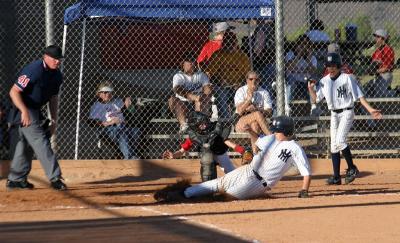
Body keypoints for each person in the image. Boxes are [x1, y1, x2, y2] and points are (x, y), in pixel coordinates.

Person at [154, 116, 312, 202]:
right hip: (248, 170)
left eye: (275, 130)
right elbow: (258, 140)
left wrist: (304, 190)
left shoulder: (294, 147)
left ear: (282, 130)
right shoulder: (272, 139)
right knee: (218, 183)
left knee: (226, 196)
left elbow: (306, 171)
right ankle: (185, 192)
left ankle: (183, 199)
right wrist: (250, 130)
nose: (273, 132)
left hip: (258, 183)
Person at [308, 53, 382, 185]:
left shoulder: (347, 78)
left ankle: (352, 168)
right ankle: (336, 177)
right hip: (334, 114)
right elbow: (316, 99)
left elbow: (359, 96)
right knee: (333, 146)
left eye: (334, 65)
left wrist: (370, 110)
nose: (331, 68)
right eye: (328, 65)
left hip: (347, 112)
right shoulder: (324, 81)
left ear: (338, 65)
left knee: (341, 141)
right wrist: (311, 89)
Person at [6, 45, 67, 191]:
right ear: (45, 56)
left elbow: (53, 98)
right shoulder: (34, 69)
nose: (57, 61)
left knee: (25, 145)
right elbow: (14, 92)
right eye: (54, 58)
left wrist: (54, 120)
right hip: (22, 107)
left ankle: (16, 179)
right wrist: (24, 111)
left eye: (59, 59)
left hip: (35, 109)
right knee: (41, 141)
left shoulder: (57, 75)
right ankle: (55, 178)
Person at [162, 111, 249, 182]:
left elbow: (227, 142)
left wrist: (242, 151)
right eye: (200, 124)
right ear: (195, 127)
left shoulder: (215, 128)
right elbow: (182, 151)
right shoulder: (194, 135)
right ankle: (209, 184)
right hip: (206, 155)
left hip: (220, 153)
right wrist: (173, 155)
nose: (204, 125)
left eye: (204, 122)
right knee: (207, 159)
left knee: (235, 176)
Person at [89, 82, 140, 160]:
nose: (108, 94)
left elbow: (127, 113)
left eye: (109, 92)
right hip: (108, 129)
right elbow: (92, 122)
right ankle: (130, 157)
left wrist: (129, 101)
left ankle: (122, 153)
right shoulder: (96, 106)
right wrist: (110, 122)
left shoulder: (118, 101)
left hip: (123, 126)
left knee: (136, 131)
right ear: (99, 94)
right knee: (120, 133)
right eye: (105, 92)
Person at [206, 31, 251, 118]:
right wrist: (220, 81)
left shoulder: (243, 56)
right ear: (223, 42)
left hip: (238, 85)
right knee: (221, 95)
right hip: (222, 86)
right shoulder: (217, 55)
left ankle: (239, 118)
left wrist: (241, 84)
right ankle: (226, 121)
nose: (229, 44)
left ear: (236, 42)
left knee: (245, 92)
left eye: (232, 41)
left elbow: (248, 75)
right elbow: (210, 75)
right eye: (227, 41)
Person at [168, 58, 212, 133]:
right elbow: (177, 89)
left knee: (204, 98)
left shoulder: (201, 75)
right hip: (182, 103)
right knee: (172, 99)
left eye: (193, 61)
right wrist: (192, 97)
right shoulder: (178, 76)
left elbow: (207, 89)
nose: (191, 63)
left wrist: (203, 96)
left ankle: (200, 123)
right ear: (183, 64)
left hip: (198, 102)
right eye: (188, 62)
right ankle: (184, 125)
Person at [234, 71, 272, 154]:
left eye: (256, 79)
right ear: (247, 80)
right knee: (257, 114)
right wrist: (248, 99)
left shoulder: (264, 92)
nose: (253, 81)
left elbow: (269, 112)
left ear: (259, 80)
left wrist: (256, 109)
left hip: (257, 125)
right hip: (241, 123)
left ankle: (255, 154)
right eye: (251, 79)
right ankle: (271, 138)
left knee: (255, 124)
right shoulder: (241, 91)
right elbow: (240, 111)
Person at [285, 34, 317, 115]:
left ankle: (314, 106)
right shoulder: (290, 54)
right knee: (290, 82)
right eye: (301, 45)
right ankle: (287, 106)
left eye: (306, 45)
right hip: (293, 83)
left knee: (313, 81)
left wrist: (308, 59)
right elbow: (289, 67)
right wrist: (298, 55)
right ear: (296, 45)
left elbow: (313, 71)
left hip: (306, 84)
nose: (303, 48)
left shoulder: (312, 58)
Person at [364, 29, 395, 97]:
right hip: (378, 76)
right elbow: (373, 63)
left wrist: (375, 71)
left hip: (385, 75)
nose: (375, 39)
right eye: (375, 37)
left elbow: (387, 68)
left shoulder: (388, 49)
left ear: (383, 38)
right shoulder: (378, 50)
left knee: (380, 94)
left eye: (377, 37)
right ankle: (387, 90)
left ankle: (396, 92)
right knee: (365, 89)